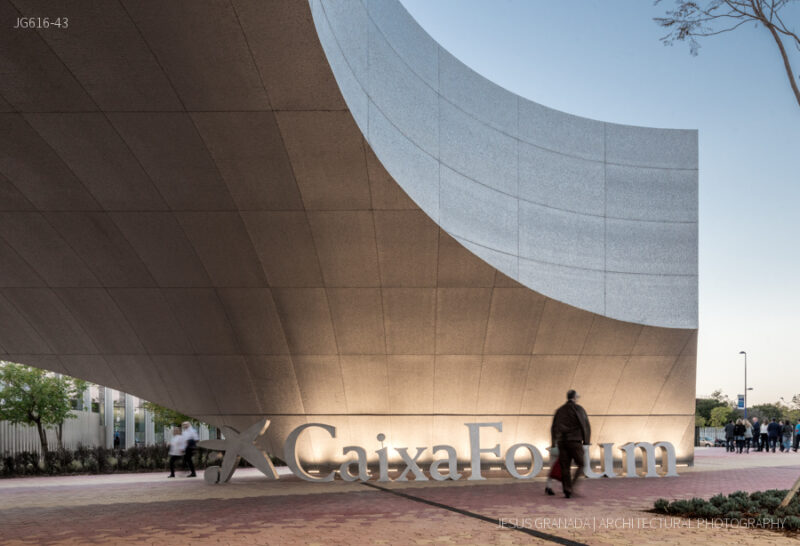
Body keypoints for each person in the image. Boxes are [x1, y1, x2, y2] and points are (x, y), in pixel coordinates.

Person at [550, 390, 591, 498]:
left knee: (565, 466)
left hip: (562, 442)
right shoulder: (578, 409)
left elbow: (554, 427)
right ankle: (571, 486)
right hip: (575, 441)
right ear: (574, 397)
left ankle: (566, 489)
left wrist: (553, 442)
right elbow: (585, 425)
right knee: (581, 464)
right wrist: (586, 441)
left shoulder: (560, 410)